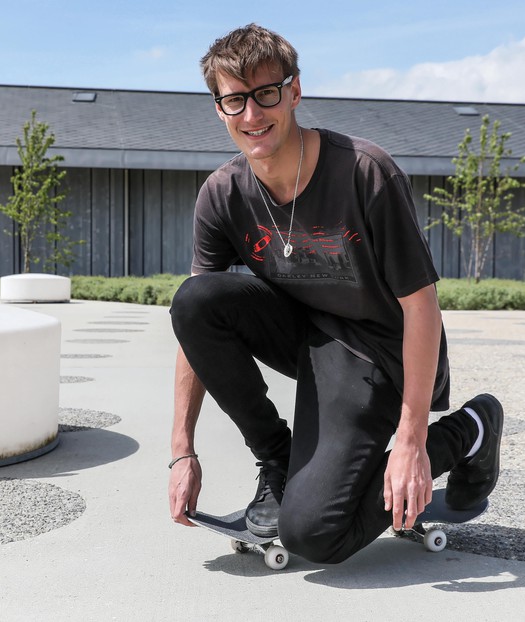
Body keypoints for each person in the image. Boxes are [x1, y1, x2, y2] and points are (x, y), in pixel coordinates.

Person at [167, 23, 503, 564]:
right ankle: (276, 461)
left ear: (294, 91)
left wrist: (413, 438)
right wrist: (182, 450)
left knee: (315, 535)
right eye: (234, 100)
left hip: (380, 352)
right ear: (218, 108)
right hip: (309, 338)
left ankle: (471, 429)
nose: (252, 115)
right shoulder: (223, 194)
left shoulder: (365, 172)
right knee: (194, 299)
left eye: (266, 94)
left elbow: (422, 306)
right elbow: (193, 326)